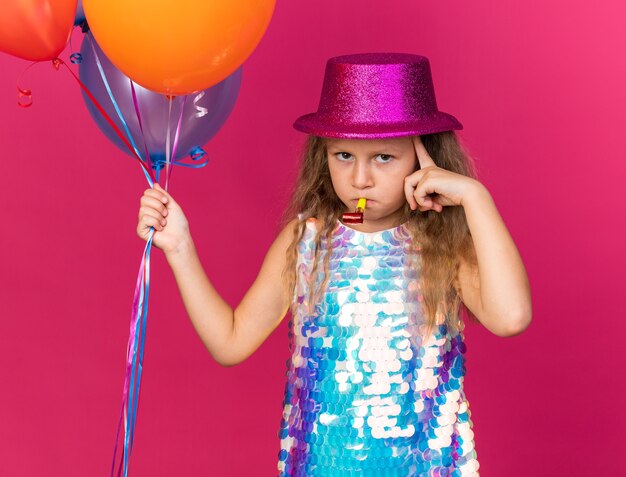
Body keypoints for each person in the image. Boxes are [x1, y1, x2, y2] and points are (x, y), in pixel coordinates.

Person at [137, 53, 532, 476]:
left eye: (383, 157)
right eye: (343, 155)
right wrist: (180, 249)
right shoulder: (306, 242)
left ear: (424, 157)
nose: (360, 179)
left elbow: (511, 317)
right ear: (322, 156)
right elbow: (230, 342)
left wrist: (475, 198)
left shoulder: (444, 245)